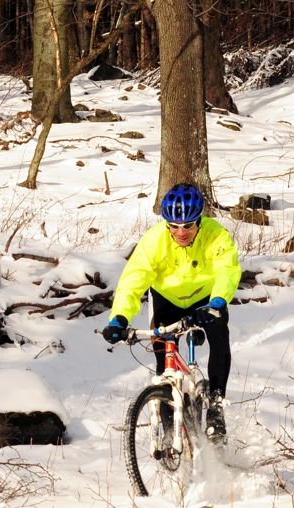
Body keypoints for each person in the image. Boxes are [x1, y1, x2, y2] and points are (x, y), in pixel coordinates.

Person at [101, 183, 242, 443]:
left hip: (206, 299)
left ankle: (215, 405)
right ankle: (169, 435)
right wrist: (119, 318)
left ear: (199, 221)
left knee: (218, 336)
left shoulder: (216, 235)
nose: (181, 232)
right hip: (167, 299)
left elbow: (227, 270)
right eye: (174, 226)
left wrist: (218, 303)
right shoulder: (154, 241)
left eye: (188, 225)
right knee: (163, 363)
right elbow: (133, 280)